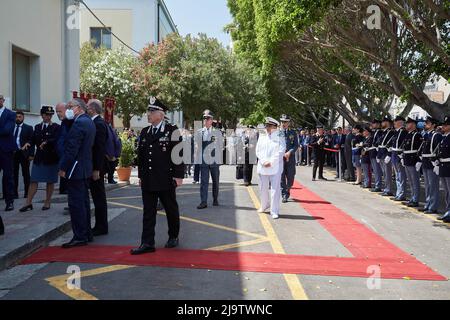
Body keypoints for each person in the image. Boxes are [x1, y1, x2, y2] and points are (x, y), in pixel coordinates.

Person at [131, 97, 184, 255]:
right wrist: (141, 176)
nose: (148, 114)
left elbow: (178, 155)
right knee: (148, 211)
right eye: (148, 111)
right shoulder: (146, 132)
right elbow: (141, 156)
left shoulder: (172, 130)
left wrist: (178, 176)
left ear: (161, 114)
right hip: (148, 178)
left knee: (170, 209)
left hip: (165, 178)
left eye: (152, 111)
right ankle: (147, 242)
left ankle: (173, 236)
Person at [59, 99, 96, 248]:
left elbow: (71, 149)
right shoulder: (87, 121)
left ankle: (80, 236)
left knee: (76, 205)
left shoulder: (80, 123)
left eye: (70, 107)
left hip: (76, 168)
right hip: (84, 167)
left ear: (79, 108)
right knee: (84, 203)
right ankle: (86, 233)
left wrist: (63, 167)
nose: (68, 109)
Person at [20, 106, 60, 212]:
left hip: (51, 158)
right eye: (46, 114)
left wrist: (47, 142)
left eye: (51, 115)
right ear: (42, 115)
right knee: (34, 180)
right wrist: (28, 143)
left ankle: (47, 202)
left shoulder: (56, 127)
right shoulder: (37, 127)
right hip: (39, 158)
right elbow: (33, 139)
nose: (49, 116)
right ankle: (28, 203)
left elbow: (57, 139)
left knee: (50, 181)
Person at [87, 99, 109, 236]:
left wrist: (96, 169)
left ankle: (101, 226)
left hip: (97, 167)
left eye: (88, 106)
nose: (86, 108)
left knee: (99, 197)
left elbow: (99, 148)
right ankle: (100, 225)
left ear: (93, 109)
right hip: (96, 166)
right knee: (97, 196)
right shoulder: (96, 122)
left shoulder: (98, 124)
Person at [256, 117, 285, 219]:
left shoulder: (280, 134)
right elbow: (258, 149)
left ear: (274, 127)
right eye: (266, 125)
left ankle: (274, 210)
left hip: (275, 166)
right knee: (263, 188)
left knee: (275, 190)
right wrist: (264, 161)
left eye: (269, 126)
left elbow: (281, 150)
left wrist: (271, 162)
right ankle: (264, 205)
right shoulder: (262, 134)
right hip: (263, 166)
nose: (266, 127)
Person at [196, 110, 221, 209]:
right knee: (204, 182)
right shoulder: (199, 132)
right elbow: (198, 146)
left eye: (208, 119)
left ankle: (215, 199)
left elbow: (219, 146)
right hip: (204, 160)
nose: (205, 120)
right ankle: (203, 201)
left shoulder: (217, 132)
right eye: (204, 118)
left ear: (212, 120)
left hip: (214, 160)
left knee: (216, 181)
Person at [418, 117, 442, 214]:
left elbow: (437, 150)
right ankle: (428, 204)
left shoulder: (436, 135)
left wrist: (436, 163)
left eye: (428, 123)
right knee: (427, 185)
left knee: (433, 186)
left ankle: (433, 206)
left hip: (432, 162)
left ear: (433, 125)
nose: (425, 124)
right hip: (425, 161)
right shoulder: (426, 135)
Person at [400, 117, 423, 208]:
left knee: (415, 181)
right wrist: (402, 157)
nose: (406, 125)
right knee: (410, 181)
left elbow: (419, 149)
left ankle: (415, 199)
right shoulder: (408, 134)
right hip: (407, 159)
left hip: (413, 160)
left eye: (408, 123)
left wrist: (418, 161)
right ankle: (412, 198)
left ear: (413, 125)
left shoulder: (417, 135)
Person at [0, 94, 16, 216]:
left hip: (6, 150)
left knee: (7, 176)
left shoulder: (10, 114)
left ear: (3, 101)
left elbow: (7, 130)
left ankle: (9, 201)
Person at [12, 111, 34, 199]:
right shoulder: (11, 127)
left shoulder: (28, 128)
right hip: (13, 153)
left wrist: (31, 154)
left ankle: (27, 193)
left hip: (24, 153)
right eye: (16, 117)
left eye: (20, 117)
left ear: (23, 118)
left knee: (26, 174)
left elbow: (31, 142)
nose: (18, 118)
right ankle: (14, 193)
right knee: (14, 174)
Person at [279, 115, 299, 202]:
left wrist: (289, 152)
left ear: (288, 123)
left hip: (290, 158)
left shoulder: (293, 132)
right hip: (281, 158)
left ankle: (288, 189)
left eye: (285, 122)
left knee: (291, 176)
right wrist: (282, 153)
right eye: (282, 122)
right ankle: (284, 194)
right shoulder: (278, 133)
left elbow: (296, 145)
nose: (283, 123)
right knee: (281, 176)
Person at [55, 103, 73, 195]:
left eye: (60, 111)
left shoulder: (70, 122)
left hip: (68, 157)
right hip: (63, 156)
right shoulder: (64, 122)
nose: (58, 113)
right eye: (56, 111)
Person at [435, 116, 450, 223]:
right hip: (443, 166)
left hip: (449, 166)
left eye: (445, 125)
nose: (443, 127)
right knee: (446, 191)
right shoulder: (444, 137)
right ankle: (448, 211)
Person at [390, 116, 408, 202]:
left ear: (400, 122)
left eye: (396, 121)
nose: (394, 123)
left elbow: (403, 145)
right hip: (394, 154)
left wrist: (402, 156)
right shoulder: (396, 132)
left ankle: (402, 194)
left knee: (401, 175)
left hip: (399, 155)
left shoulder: (403, 131)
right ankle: (398, 193)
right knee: (397, 175)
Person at [377, 116, 395, 197]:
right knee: (384, 173)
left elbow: (391, 144)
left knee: (387, 173)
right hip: (381, 153)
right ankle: (386, 188)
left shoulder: (391, 132)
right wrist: (378, 155)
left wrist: (389, 155)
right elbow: (380, 143)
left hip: (386, 154)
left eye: (383, 122)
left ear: (387, 123)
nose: (382, 123)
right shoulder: (383, 132)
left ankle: (389, 189)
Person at [369, 119, 383, 192]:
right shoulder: (374, 132)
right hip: (372, 152)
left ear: (378, 124)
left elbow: (378, 142)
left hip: (376, 152)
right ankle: (377, 184)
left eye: (374, 124)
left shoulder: (380, 132)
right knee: (375, 170)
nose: (372, 125)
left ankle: (378, 185)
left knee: (377, 170)